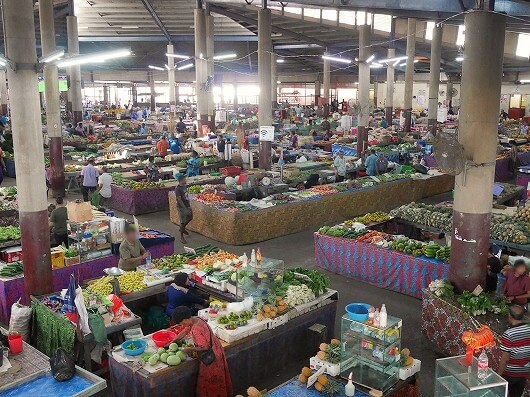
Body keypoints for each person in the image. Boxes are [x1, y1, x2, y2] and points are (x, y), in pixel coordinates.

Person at [172, 306, 233, 397]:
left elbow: (204, 347)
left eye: (181, 323)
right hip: (216, 348)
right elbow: (185, 331)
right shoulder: (195, 319)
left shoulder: (196, 329)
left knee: (213, 383)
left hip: (212, 357)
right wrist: (173, 341)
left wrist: (189, 349)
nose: (182, 325)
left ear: (185, 320)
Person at [498, 304, 530, 397]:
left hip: (510, 373)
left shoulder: (509, 334)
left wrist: (498, 376)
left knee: (500, 394)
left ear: (509, 316)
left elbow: (505, 360)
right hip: (524, 372)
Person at [175, 174, 193, 243]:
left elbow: (186, 196)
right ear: (181, 180)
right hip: (181, 207)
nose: (186, 179)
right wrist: (184, 208)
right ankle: (181, 237)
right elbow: (179, 199)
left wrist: (188, 205)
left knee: (190, 217)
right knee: (182, 221)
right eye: (185, 179)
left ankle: (182, 228)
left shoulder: (184, 186)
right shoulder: (177, 189)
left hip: (187, 205)